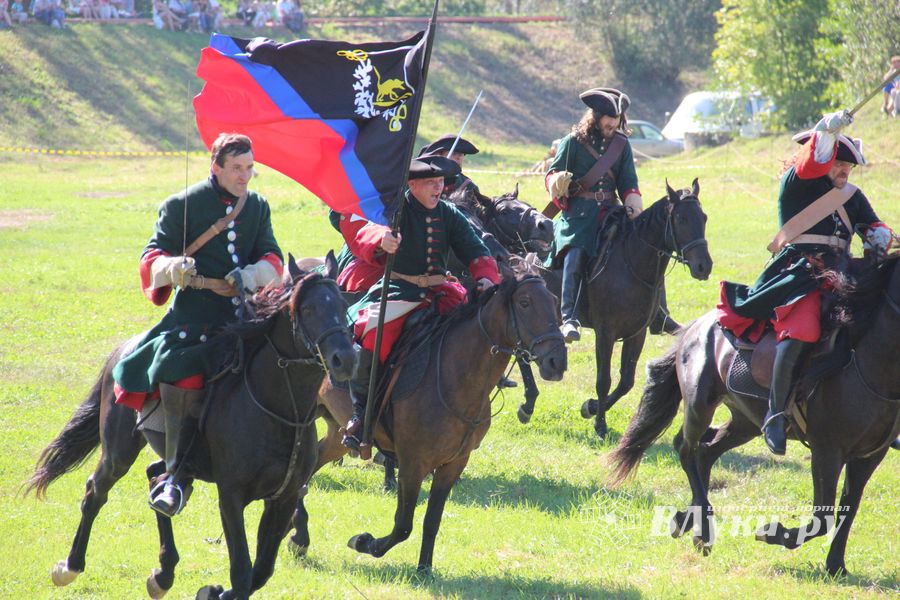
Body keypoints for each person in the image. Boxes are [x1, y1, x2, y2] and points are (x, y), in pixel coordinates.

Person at [112, 133, 284, 517]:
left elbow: (272, 255)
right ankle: (175, 475)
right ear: (216, 167)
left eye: (250, 167)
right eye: (237, 168)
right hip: (194, 317)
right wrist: (172, 268)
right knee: (183, 375)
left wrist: (255, 272)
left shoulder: (256, 206)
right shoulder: (180, 205)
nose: (245, 175)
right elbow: (151, 256)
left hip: (242, 315)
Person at [717, 110, 894, 455]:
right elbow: (811, 162)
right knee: (803, 331)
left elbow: (872, 224)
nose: (844, 171)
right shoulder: (798, 183)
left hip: (844, 275)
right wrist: (825, 132)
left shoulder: (851, 195)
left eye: (849, 167)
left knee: (881, 323)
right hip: (801, 275)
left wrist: (878, 237)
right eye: (838, 164)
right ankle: (776, 413)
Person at [340, 154, 500, 455]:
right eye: (430, 183)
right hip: (400, 291)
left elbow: (476, 250)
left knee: (478, 334)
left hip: (442, 293)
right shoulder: (394, 210)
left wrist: (486, 277)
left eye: (440, 182)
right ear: (411, 184)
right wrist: (382, 240)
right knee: (374, 340)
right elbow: (364, 228)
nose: (438, 188)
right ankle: (361, 417)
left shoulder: (450, 214)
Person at [546, 87, 659, 342]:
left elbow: (629, 183)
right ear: (596, 116)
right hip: (578, 217)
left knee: (646, 247)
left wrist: (634, 208)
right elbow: (551, 174)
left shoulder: (621, 145)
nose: (612, 126)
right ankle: (569, 318)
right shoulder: (572, 142)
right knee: (575, 255)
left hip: (611, 212)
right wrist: (557, 182)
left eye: (615, 121)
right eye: (608, 121)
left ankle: (659, 313)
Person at [419, 134, 482, 198]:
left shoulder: (469, 188)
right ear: (440, 156)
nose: (458, 157)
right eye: (453, 153)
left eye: (461, 154)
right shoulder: (421, 182)